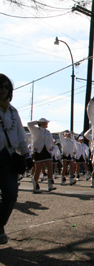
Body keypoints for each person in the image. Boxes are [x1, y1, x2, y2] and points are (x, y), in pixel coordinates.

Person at [0, 73, 33, 244]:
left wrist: (27, 155)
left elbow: (21, 136)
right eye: (1, 86)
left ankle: (0, 225)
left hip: (9, 158)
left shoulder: (13, 112)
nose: (3, 90)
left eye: (7, 87)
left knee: (11, 193)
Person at [28, 118, 56, 193]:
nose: (47, 124)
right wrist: (38, 122)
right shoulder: (35, 130)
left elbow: (51, 140)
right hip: (38, 150)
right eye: (45, 123)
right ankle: (35, 184)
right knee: (38, 169)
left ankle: (50, 184)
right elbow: (29, 124)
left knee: (50, 165)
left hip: (46, 150)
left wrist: (52, 147)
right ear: (42, 123)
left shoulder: (48, 132)